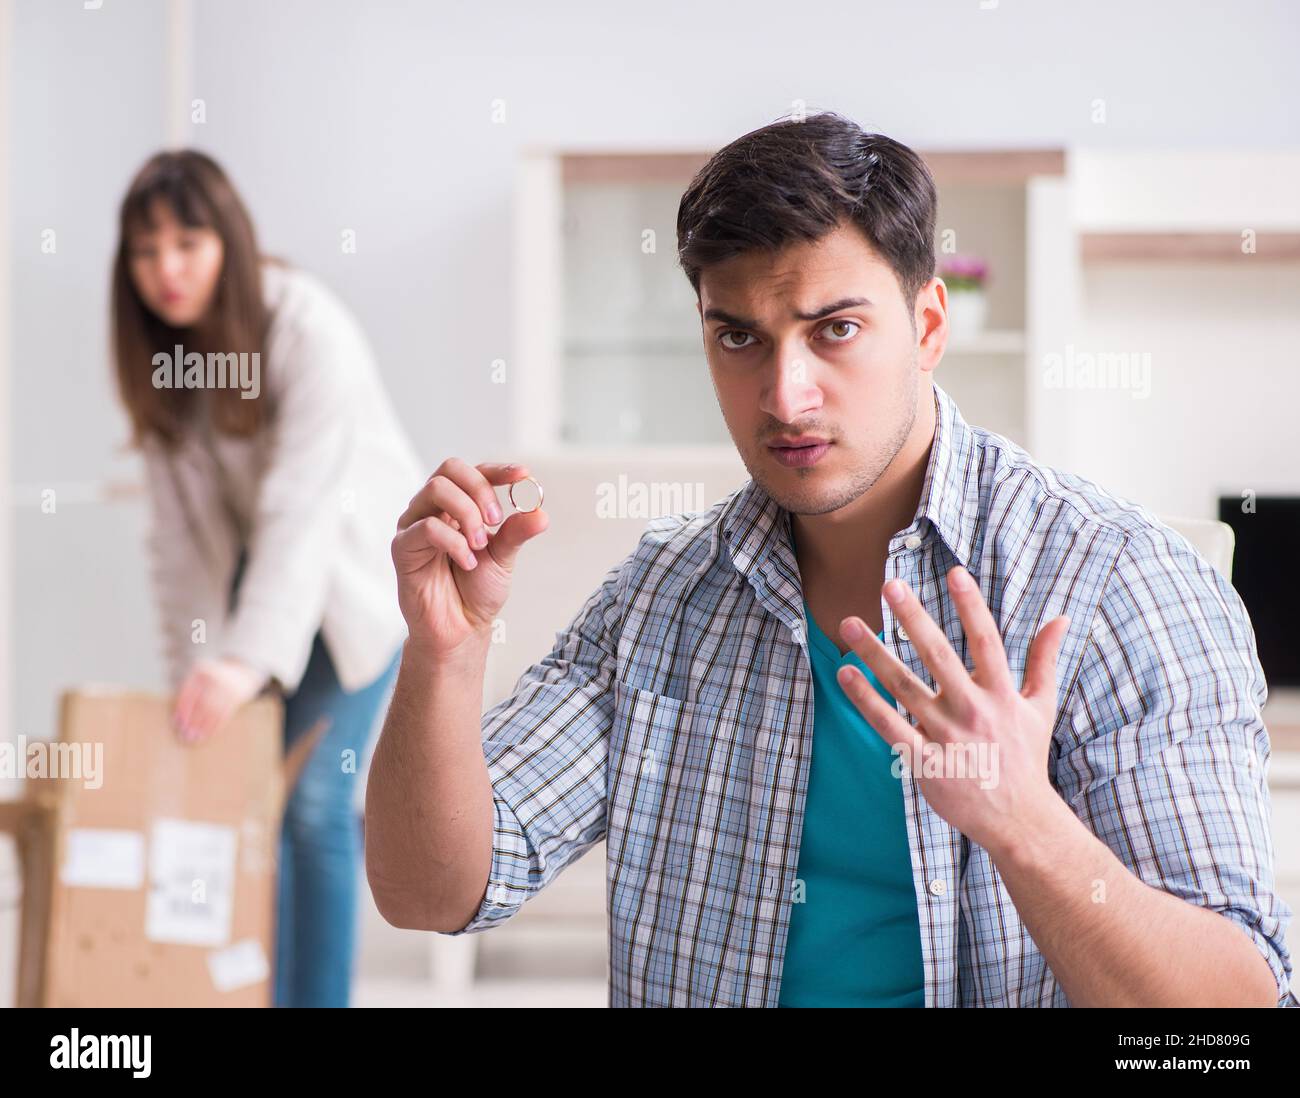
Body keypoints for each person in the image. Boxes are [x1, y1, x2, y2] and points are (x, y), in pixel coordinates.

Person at [365, 113, 1295, 1007]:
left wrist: (1026, 824)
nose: (785, 393)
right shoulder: (663, 597)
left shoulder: (1118, 584)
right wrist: (447, 650)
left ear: (929, 326)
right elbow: (431, 893)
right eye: (739, 337)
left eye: (834, 329)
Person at [111, 150, 424, 1007]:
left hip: (352, 585)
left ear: (229, 240)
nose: (166, 269)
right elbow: (177, 541)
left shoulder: (306, 326)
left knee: (314, 805)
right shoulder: (164, 359)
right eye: (144, 251)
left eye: (187, 241)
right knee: (247, 803)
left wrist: (243, 660)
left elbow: (303, 509)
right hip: (265, 597)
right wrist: (198, 674)